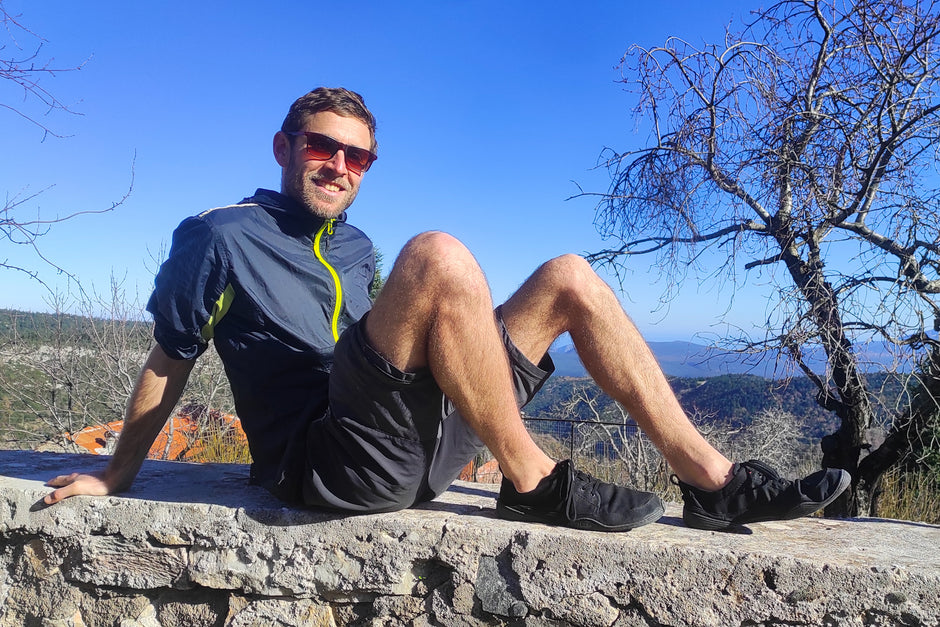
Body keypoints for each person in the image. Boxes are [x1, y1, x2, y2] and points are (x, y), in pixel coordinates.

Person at [43, 87, 850, 531]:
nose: (338, 165)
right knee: (438, 255)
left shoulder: (356, 248)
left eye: (356, 155)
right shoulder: (221, 237)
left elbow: (403, 359)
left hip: (411, 448)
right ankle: (533, 480)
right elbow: (168, 356)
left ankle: (714, 482)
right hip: (323, 466)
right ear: (284, 146)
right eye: (321, 146)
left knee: (568, 274)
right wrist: (118, 471)